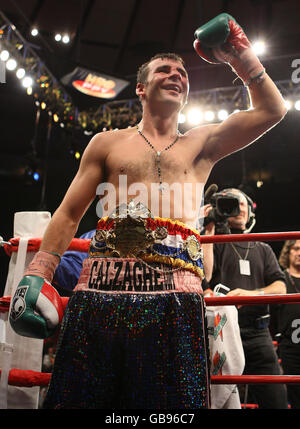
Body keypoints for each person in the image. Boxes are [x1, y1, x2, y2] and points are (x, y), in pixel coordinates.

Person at [9, 13, 287, 409]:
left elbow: (272, 111)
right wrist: (39, 273)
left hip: (177, 297)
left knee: (172, 411)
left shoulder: (202, 143)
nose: (178, 75)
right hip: (102, 293)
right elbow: (69, 214)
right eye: (165, 69)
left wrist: (239, 56)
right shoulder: (107, 143)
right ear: (140, 87)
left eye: (183, 72)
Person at [203, 187, 289, 409]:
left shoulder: (262, 247)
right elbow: (206, 275)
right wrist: (209, 230)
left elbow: (280, 288)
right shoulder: (216, 242)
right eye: (233, 203)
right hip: (223, 332)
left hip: (259, 333)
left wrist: (250, 294)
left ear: (251, 211)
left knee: (276, 398)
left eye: (244, 204)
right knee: (220, 399)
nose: (240, 209)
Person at [277, 240, 300, 409]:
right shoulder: (281, 279)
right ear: (288, 252)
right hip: (290, 345)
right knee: (295, 393)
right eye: (296, 248)